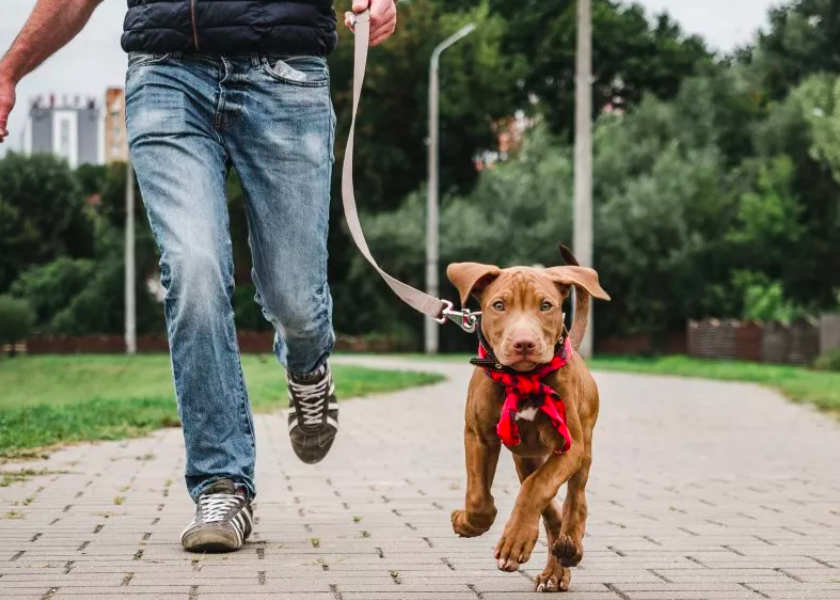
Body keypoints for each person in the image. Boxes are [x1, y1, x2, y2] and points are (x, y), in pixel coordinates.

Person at [0, 0, 397, 553]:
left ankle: (308, 368)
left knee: (295, 300)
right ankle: (222, 480)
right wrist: (9, 68)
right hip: (166, 75)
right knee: (193, 269)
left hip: (286, 72)